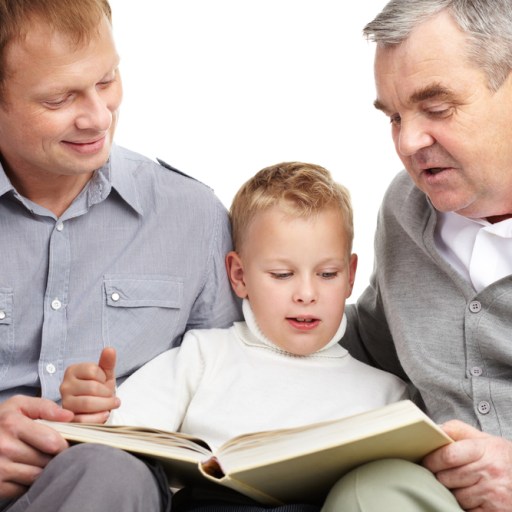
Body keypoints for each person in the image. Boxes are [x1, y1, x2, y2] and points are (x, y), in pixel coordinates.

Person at [0, 1, 240, 511]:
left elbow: (234, 390)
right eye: (59, 98)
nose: (99, 117)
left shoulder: (193, 217)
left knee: (110, 471)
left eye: (106, 80)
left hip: (111, 491)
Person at [60, 161, 409, 511]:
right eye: (282, 274)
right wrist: (95, 407)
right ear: (239, 275)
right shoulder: (202, 356)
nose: (306, 294)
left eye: (328, 274)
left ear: (350, 276)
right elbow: (123, 433)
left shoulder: (387, 395)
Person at [342, 0, 512, 510]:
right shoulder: (407, 207)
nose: (408, 142)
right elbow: (373, 342)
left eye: (437, 108)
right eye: (395, 117)